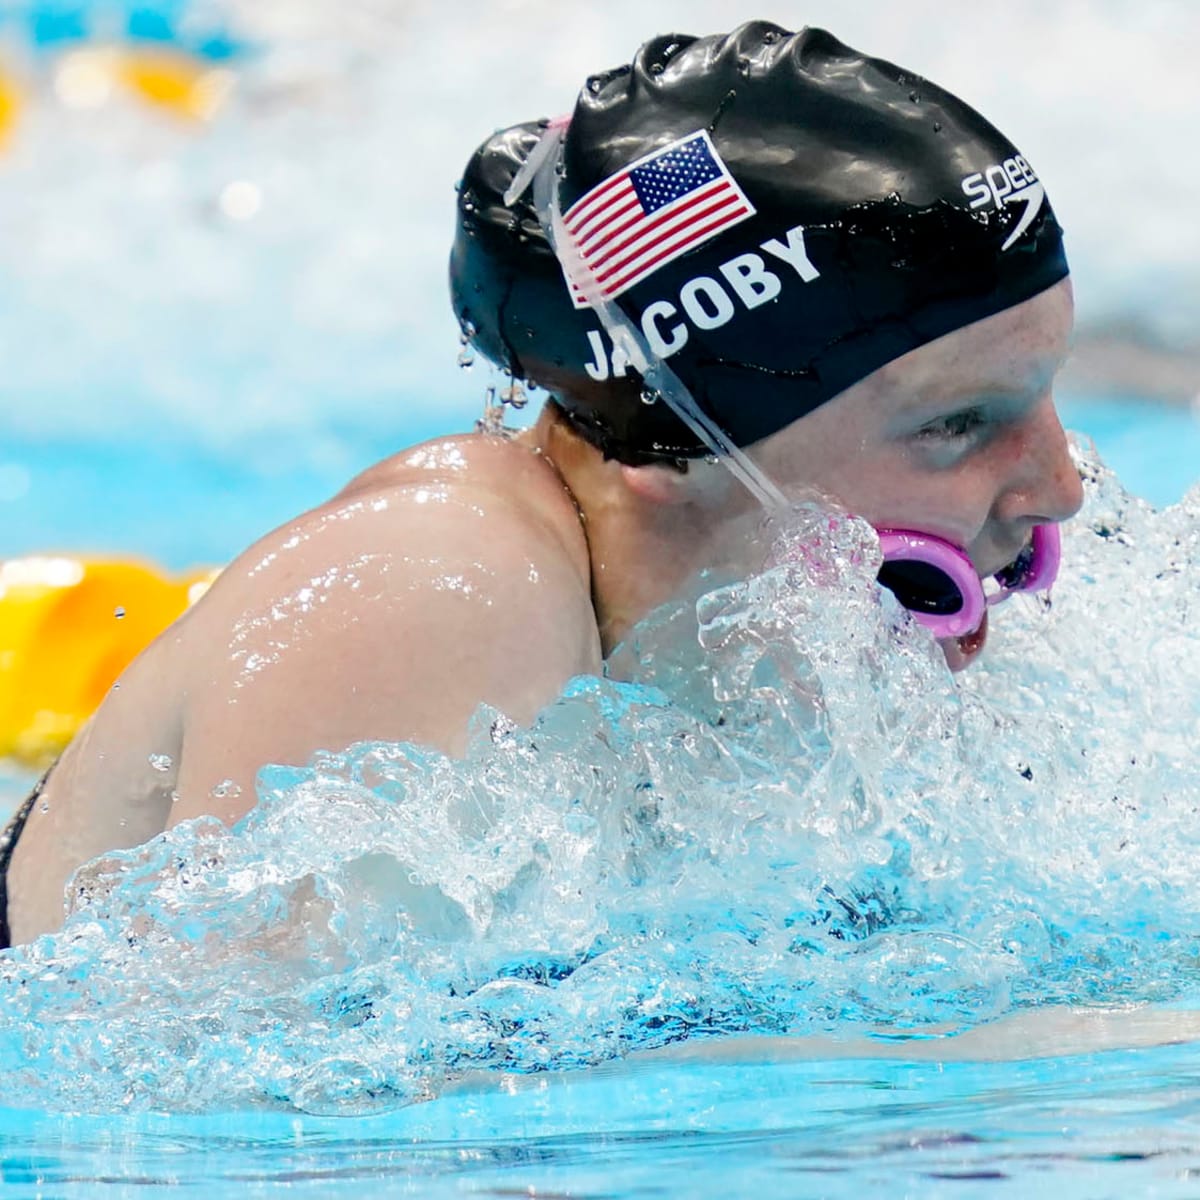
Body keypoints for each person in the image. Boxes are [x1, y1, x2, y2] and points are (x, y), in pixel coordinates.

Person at [0, 21, 1083, 947]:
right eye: (956, 424)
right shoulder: (435, 592)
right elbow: (273, 1096)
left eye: (1044, 395)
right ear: (675, 447)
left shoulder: (759, 651)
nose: (1060, 485)